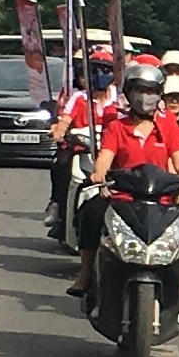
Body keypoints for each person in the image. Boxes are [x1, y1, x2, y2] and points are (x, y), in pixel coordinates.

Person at [66, 63, 179, 301]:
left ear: (159, 94)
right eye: (139, 90)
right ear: (128, 93)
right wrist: (99, 174)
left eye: (150, 91)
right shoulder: (117, 127)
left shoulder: (167, 126)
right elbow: (105, 157)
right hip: (122, 198)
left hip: (161, 199)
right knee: (92, 212)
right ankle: (85, 272)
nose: (145, 97)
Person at [45, 49, 118, 233]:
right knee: (61, 163)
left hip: (111, 152)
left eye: (106, 69)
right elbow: (66, 119)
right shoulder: (79, 98)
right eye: (95, 69)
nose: (100, 74)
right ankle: (58, 205)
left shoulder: (119, 100)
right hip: (80, 149)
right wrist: (60, 131)